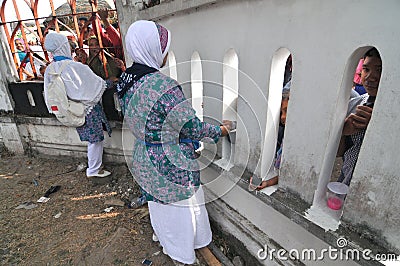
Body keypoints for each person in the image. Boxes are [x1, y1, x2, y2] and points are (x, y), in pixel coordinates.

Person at [116, 20, 230, 265]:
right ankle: (182, 253)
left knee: (161, 207)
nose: (166, 53)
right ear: (151, 49)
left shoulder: (126, 82)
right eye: (163, 47)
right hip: (170, 161)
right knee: (182, 208)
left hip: (145, 156)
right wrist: (219, 130)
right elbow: (191, 127)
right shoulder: (162, 86)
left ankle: (176, 244)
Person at [43, 32, 112, 178]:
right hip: (88, 109)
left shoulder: (50, 69)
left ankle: (95, 166)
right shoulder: (74, 66)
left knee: (92, 139)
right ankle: (93, 170)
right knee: (95, 140)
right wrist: (110, 82)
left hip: (71, 110)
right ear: (63, 47)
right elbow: (96, 85)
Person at [337, 47, 381, 186]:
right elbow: (339, 152)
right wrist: (344, 132)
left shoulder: (391, 114)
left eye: (379, 70)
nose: (370, 77)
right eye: (366, 69)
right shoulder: (355, 104)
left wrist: (376, 127)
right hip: (345, 177)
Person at [250, 80, 291, 190]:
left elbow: (286, 174)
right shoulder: (282, 137)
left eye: (287, 111)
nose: (282, 117)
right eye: (281, 112)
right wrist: (267, 183)